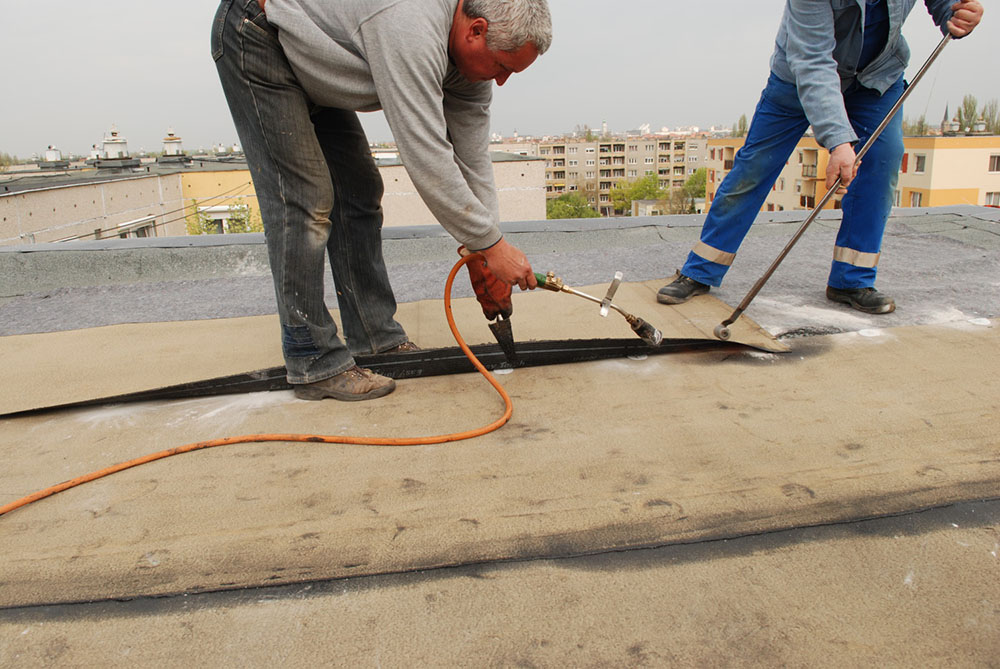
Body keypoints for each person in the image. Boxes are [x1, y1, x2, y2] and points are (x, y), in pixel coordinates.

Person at [211, 0, 551, 401]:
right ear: (475, 30)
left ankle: (375, 339)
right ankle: (311, 358)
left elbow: (472, 160)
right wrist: (492, 246)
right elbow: (426, 155)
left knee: (358, 191)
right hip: (260, 33)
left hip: (313, 54)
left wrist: (482, 249)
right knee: (304, 200)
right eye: (503, 66)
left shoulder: (469, 66)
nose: (502, 81)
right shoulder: (410, 23)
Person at [657, 0, 983, 314]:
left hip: (877, 77)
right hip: (799, 76)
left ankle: (851, 280)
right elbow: (813, 63)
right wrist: (839, 142)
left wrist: (954, 12)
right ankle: (701, 270)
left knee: (883, 158)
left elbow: (946, 3)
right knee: (754, 167)